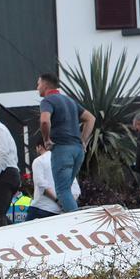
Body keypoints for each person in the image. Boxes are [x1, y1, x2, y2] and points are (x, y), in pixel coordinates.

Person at [37, 73, 95, 213]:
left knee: (62, 190)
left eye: (38, 84)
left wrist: (46, 140)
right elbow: (91, 118)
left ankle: (76, 224)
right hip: (78, 151)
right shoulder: (69, 101)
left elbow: (44, 121)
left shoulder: (47, 101)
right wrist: (83, 140)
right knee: (66, 190)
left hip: (62, 150)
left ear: (45, 85)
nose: (37, 88)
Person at [27, 138, 81, 221]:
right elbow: (76, 190)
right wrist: (64, 203)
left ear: (40, 147)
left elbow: (41, 185)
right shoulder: (65, 161)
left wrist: (57, 200)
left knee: (26, 232)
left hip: (41, 208)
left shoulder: (39, 161)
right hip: (59, 213)